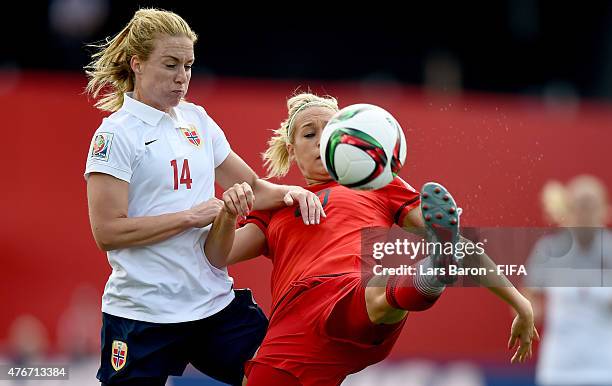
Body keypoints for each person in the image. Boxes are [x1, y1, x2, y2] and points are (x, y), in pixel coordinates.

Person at [205, 92, 540, 385]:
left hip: (356, 297)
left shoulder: (377, 185)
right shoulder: (277, 204)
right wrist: (228, 214)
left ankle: (434, 270)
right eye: (310, 134)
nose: (322, 140)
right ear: (292, 150)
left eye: (332, 131)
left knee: (379, 288)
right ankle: (432, 270)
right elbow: (221, 254)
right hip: (296, 324)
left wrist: (518, 302)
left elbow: (459, 243)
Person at [83, 9, 324, 386]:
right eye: (170, 65)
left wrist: (293, 192)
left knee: (285, 377)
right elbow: (108, 232)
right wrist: (190, 217)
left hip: (212, 307)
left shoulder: (196, 119)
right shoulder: (114, 136)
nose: (182, 78)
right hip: (141, 315)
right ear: (138, 64)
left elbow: (255, 188)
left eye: (189, 66)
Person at [525, 176, 612, 386]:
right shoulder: (549, 250)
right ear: (569, 210)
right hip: (558, 369)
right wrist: (528, 316)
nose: (586, 213)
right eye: (580, 206)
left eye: (591, 205)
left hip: (604, 368)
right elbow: (528, 298)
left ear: (604, 209)